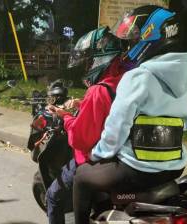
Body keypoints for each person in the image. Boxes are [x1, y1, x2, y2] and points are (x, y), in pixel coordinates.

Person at [73, 5, 187, 224]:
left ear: (152, 36)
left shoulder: (138, 77)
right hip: (174, 168)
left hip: (137, 170)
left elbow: (116, 129)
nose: (129, 46)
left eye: (132, 40)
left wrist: (97, 154)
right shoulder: (186, 80)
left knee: (81, 177)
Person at [45, 26, 127, 224]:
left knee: (52, 196)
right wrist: (81, 103)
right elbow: (112, 104)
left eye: (88, 61)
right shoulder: (124, 78)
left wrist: (65, 117)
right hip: (121, 154)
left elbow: (80, 139)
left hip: (93, 158)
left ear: (99, 59)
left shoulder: (97, 90)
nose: (86, 67)